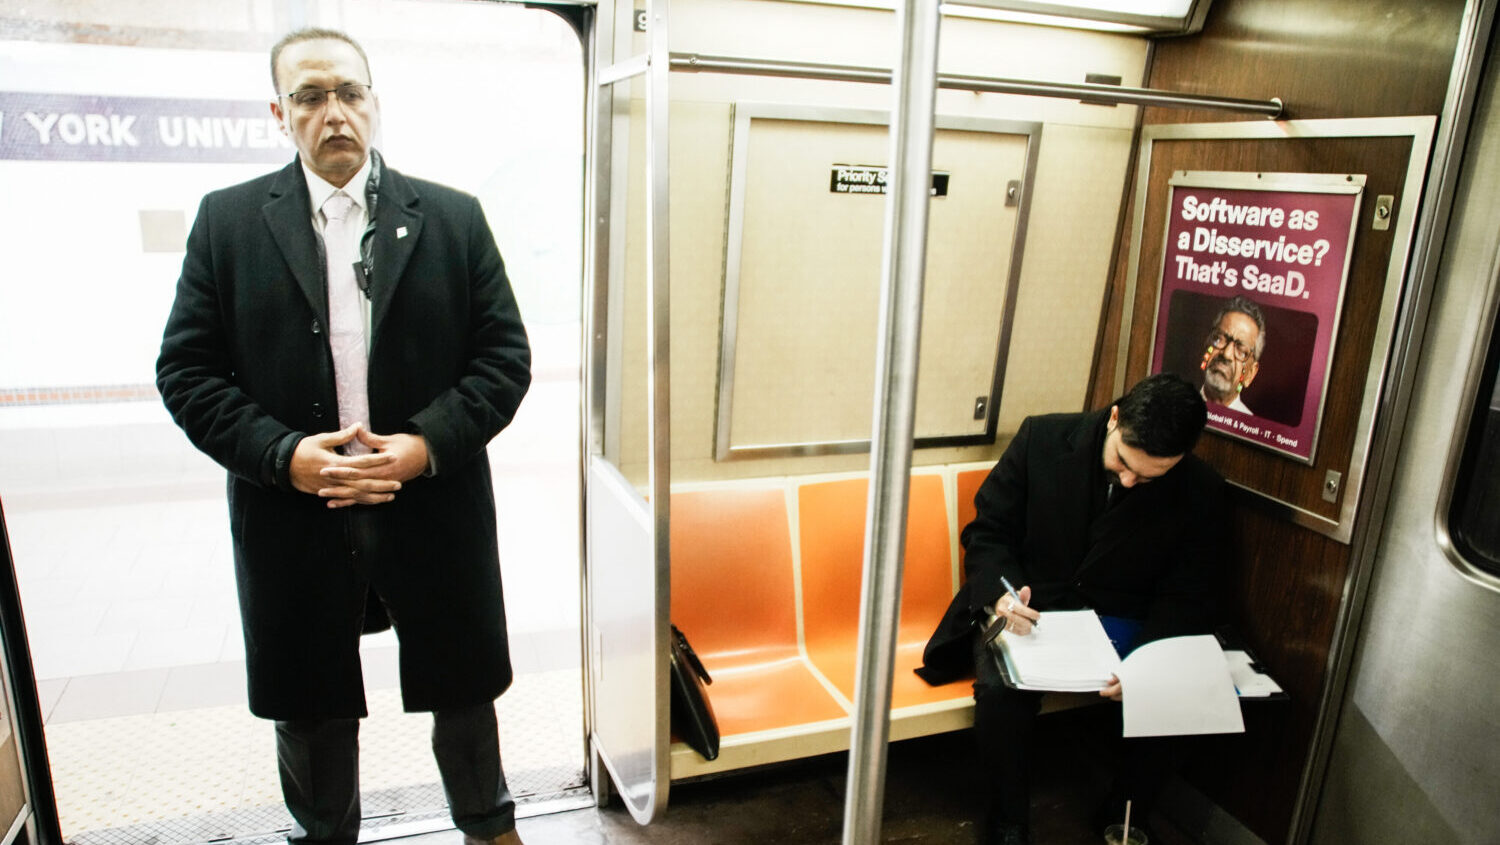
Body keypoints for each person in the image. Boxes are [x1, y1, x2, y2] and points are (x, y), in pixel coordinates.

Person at [156, 27, 531, 845]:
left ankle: (489, 827)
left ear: (375, 104)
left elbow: (504, 361)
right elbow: (185, 373)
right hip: (294, 514)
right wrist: (284, 455)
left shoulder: (453, 219)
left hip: (431, 505)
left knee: (463, 698)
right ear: (279, 112)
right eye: (311, 96)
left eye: (349, 93)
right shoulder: (226, 225)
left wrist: (424, 445)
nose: (334, 112)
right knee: (313, 712)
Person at [917, 373, 1225, 845]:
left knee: (1177, 686)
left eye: (1147, 477)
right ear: (1115, 418)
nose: (1127, 480)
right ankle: (1008, 821)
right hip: (1031, 608)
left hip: (1124, 618)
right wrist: (1002, 593)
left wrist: (1149, 661)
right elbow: (988, 532)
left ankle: (1125, 814)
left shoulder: (1198, 489)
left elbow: (1188, 591)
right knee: (1002, 694)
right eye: (1122, 462)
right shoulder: (1041, 437)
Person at [1199, 295, 1265, 414]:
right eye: (1219, 339)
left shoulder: (1250, 428)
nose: (1226, 354)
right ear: (1206, 342)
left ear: (1250, 374)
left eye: (1241, 350)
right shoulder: (1176, 403)